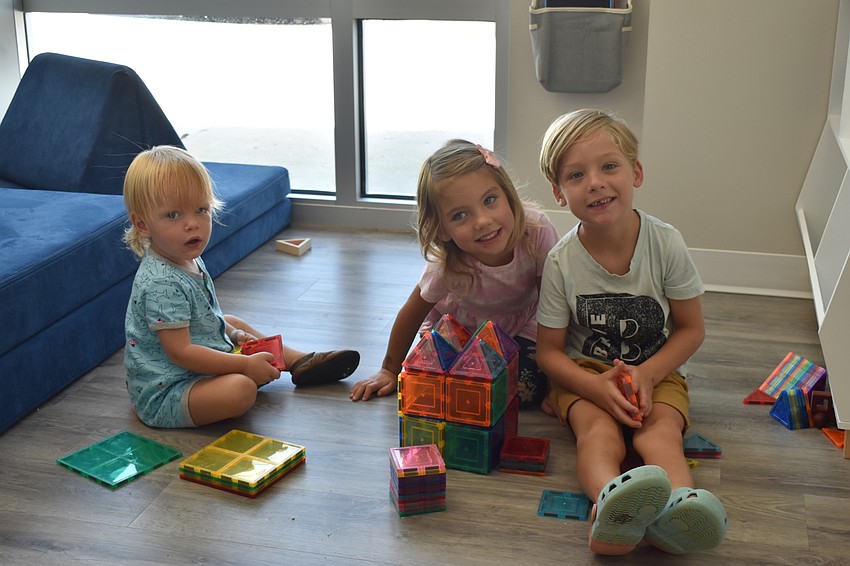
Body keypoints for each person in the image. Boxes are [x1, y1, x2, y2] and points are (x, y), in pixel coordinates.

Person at [535, 109, 727, 555]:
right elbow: (549, 353)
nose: (596, 182)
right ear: (560, 194)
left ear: (636, 172)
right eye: (576, 174)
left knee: (659, 435)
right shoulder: (561, 263)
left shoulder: (665, 243)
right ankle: (611, 508)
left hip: (656, 370)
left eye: (609, 166)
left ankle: (679, 509)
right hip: (585, 372)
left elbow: (692, 329)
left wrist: (651, 374)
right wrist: (594, 387)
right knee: (597, 435)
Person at [122, 145, 359, 428]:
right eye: (174, 215)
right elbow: (181, 353)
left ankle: (298, 361)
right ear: (142, 224)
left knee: (229, 320)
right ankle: (260, 365)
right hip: (168, 391)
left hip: (194, 367)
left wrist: (232, 333)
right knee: (241, 390)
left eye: (201, 210)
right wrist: (244, 366)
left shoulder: (184, 256)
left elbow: (206, 318)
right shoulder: (161, 282)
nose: (192, 224)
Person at [350, 139, 559, 407]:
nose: (483, 221)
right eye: (460, 215)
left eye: (490, 200)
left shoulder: (537, 232)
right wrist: (389, 369)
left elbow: (553, 304)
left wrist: (557, 384)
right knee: (428, 385)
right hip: (461, 329)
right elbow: (411, 313)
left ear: (509, 194)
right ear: (442, 230)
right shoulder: (446, 264)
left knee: (525, 393)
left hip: (523, 325)